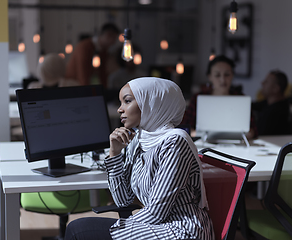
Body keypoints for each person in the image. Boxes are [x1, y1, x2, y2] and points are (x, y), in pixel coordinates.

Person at [64, 77, 214, 240]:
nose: (120, 109)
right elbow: (123, 200)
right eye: (120, 103)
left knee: (78, 230)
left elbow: (157, 212)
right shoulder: (138, 140)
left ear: (151, 103)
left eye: (127, 101)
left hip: (181, 230)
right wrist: (115, 153)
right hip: (156, 226)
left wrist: (116, 230)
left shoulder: (175, 142)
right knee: (79, 229)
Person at [182, 55, 257, 139]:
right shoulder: (198, 98)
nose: (223, 80)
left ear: (232, 75)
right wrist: (199, 134)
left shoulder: (242, 99)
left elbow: (253, 130)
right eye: (217, 75)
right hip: (204, 145)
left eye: (227, 74)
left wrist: (248, 133)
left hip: (238, 144)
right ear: (210, 77)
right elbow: (186, 129)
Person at [65, 23, 120, 88]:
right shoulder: (84, 47)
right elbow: (82, 74)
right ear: (107, 35)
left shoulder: (103, 51)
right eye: (114, 39)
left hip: (86, 87)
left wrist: (104, 92)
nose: (114, 43)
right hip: (73, 86)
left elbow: (103, 73)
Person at [252, 70, 290, 135]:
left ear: (276, 88)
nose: (262, 83)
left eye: (266, 82)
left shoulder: (277, 112)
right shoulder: (267, 103)